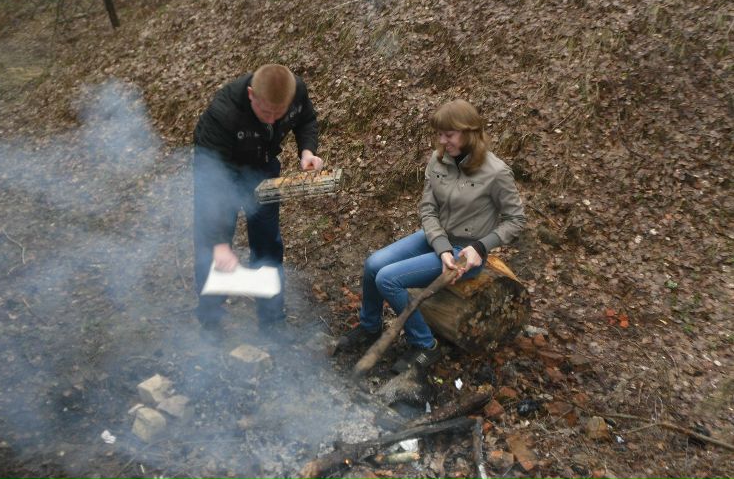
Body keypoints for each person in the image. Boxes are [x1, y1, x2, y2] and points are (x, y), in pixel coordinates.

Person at [336, 99, 525, 373]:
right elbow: (427, 209)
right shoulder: (438, 161)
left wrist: (480, 248)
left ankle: (425, 345)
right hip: (436, 239)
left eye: (449, 135)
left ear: (469, 133)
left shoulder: (496, 173)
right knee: (373, 264)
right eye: (439, 134)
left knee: (388, 279)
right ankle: (370, 327)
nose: (442, 141)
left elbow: (516, 220)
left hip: (466, 254)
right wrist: (441, 247)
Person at [192, 64, 323, 331]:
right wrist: (218, 244)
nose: (273, 120)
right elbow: (209, 185)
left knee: (268, 244)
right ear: (251, 94)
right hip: (222, 173)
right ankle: (210, 320)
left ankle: (272, 321)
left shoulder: (295, 91)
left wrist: (307, 152)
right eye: (266, 112)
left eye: (280, 113)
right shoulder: (223, 114)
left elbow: (307, 119)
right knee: (212, 251)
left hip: (262, 168)